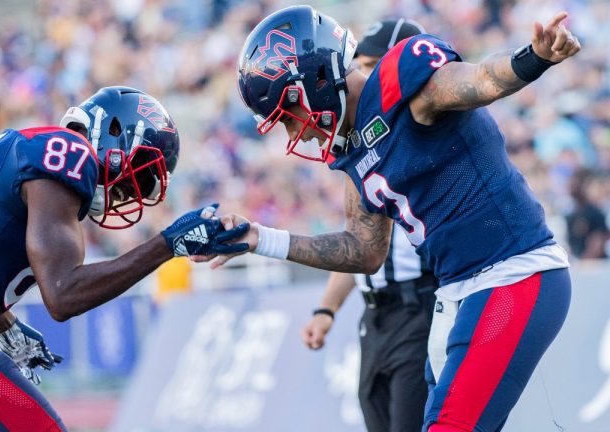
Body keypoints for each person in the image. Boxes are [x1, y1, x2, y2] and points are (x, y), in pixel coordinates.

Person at [217, 5, 579, 431]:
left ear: (314, 83)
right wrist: (262, 238)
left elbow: (481, 80)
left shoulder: (401, 81)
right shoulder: (350, 143)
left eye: (289, 115)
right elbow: (363, 250)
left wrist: (533, 58)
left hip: (515, 273)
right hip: (457, 291)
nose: (296, 133)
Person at [0, 86, 247, 431]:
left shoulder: (28, 146)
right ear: (112, 136)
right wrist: (167, 245)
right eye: (138, 175)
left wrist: (4, 322)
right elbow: (63, 295)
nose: (131, 192)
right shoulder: (67, 152)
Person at [299, 18, 438, 432]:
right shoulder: (359, 142)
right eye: (358, 66)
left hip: (420, 307)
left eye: (373, 65)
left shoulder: (418, 135)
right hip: (375, 318)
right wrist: (327, 309)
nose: (362, 78)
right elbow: (359, 247)